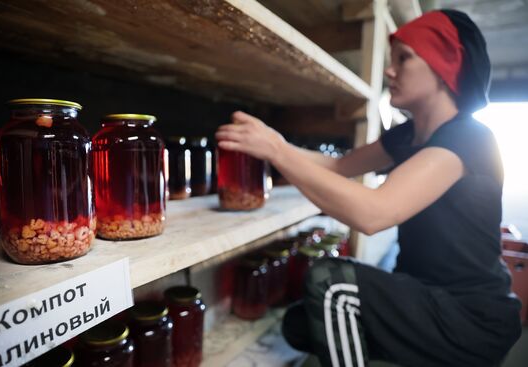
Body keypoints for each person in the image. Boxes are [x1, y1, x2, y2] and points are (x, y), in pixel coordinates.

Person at [215, 9, 522, 367]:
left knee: (330, 282)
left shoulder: (470, 138)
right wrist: (273, 142)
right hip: (423, 294)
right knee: (298, 325)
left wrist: (278, 152)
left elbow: (374, 213)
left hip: (469, 317)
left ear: (445, 66)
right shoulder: (408, 136)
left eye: (404, 59)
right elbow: (338, 166)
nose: (390, 71)